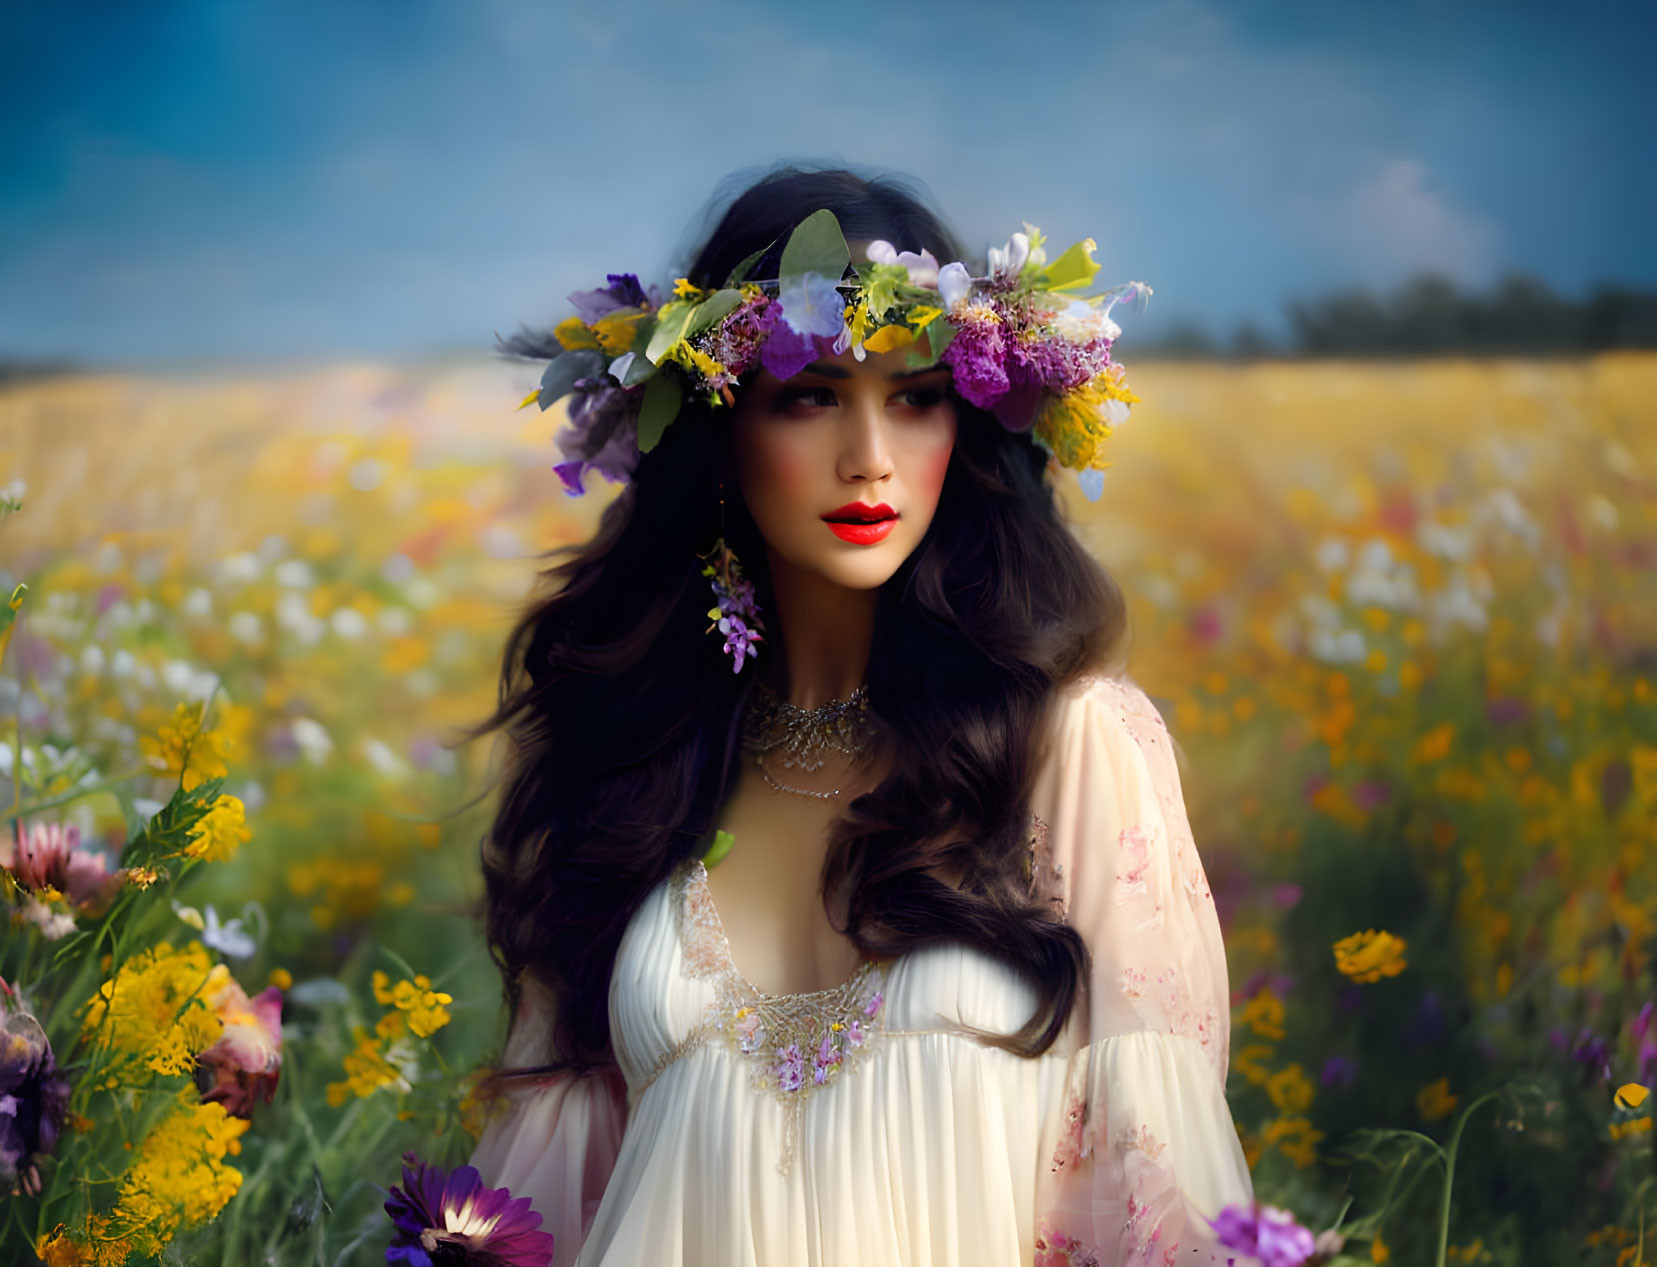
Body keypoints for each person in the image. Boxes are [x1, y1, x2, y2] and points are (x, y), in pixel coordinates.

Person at [463, 165, 1256, 1266]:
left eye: (917, 396)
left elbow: (1157, 1194)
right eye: (811, 393)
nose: (869, 456)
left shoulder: (1068, 748)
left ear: (964, 425)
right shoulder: (625, 771)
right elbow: (533, 1219)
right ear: (722, 432)